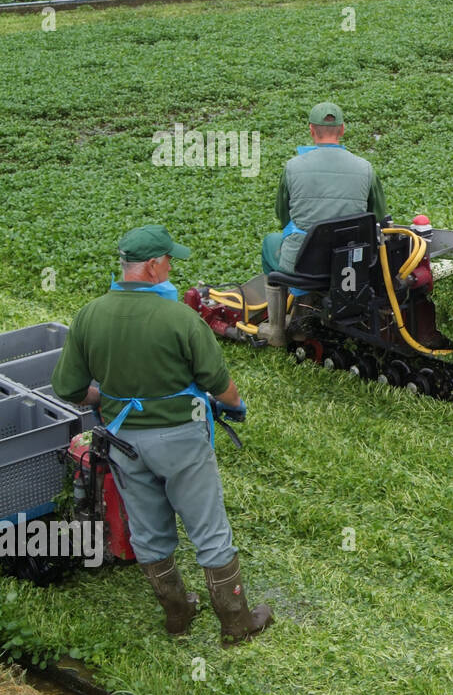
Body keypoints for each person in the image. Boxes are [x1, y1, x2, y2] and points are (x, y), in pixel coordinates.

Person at [52, 225, 273, 646]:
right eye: (169, 260)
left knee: (149, 531)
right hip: (180, 441)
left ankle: (177, 613)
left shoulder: (89, 315)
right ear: (154, 267)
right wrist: (236, 407)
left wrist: (103, 395)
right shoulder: (181, 319)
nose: (172, 266)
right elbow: (218, 382)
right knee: (208, 528)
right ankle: (235, 622)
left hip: (124, 442)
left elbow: (68, 388)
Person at [260, 101, 387, 276]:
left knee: (270, 243)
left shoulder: (292, 167)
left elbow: (283, 215)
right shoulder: (365, 168)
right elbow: (377, 215)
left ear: (311, 129)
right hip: (350, 260)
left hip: (302, 263)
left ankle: (282, 302)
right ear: (342, 129)